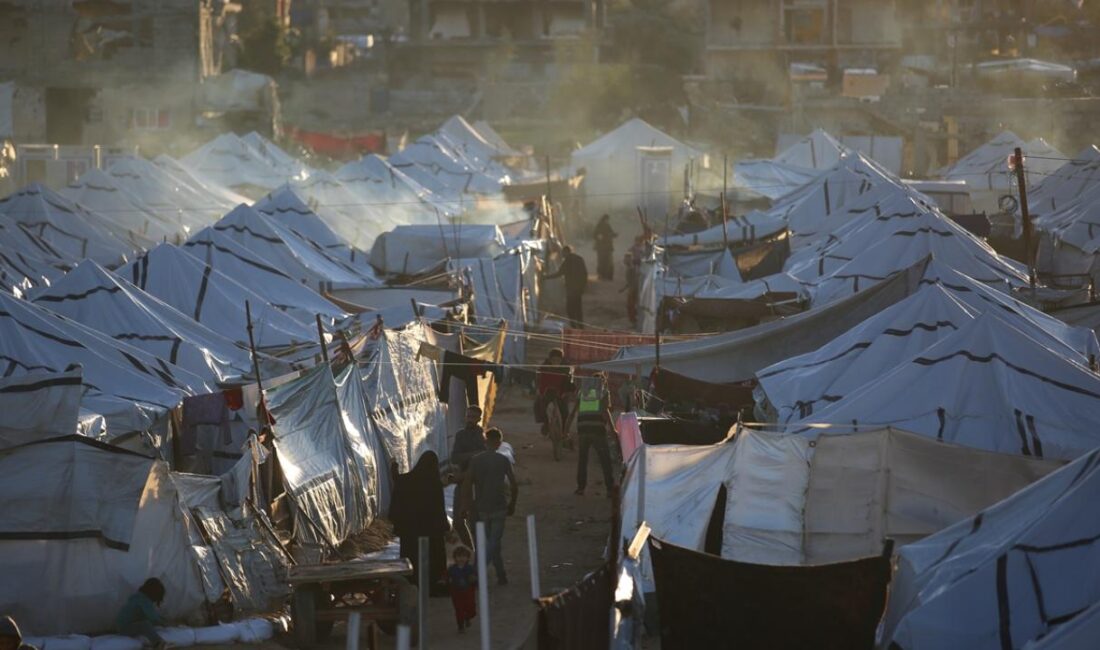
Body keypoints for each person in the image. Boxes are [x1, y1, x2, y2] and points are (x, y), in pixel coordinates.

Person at [462, 428, 518, 585]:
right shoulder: (503, 460)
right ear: (499, 443)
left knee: (489, 542)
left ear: (485, 442)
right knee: (494, 542)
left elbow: (467, 484)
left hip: (482, 508)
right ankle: (479, 572)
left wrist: (466, 506)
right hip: (499, 506)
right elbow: (514, 485)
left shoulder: (476, 460)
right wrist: (512, 504)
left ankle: (499, 575)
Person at [575, 378, 616, 497]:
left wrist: (566, 428)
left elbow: (576, 411)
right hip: (597, 430)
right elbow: (605, 412)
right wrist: (613, 430)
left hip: (582, 429)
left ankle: (580, 488)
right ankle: (609, 489)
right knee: (605, 460)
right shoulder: (603, 392)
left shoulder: (581, 392)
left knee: (583, 459)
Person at [544, 245, 589, 328]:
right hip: (578, 289)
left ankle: (574, 327)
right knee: (578, 309)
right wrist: (583, 286)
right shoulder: (579, 258)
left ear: (566, 252)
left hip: (571, 289)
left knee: (570, 309)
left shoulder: (567, 261)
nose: (562, 255)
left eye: (563, 253)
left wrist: (545, 277)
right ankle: (581, 326)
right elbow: (585, 274)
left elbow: (559, 273)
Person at [116, 578, 166, 649]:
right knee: (145, 625)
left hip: (124, 626)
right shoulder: (143, 600)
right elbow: (153, 617)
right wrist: (165, 622)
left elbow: (152, 615)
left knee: (146, 623)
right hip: (125, 628)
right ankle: (158, 643)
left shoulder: (138, 597)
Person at [446, 546, 478, 633]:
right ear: (455, 557)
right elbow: (446, 577)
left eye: (464, 556)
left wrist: (474, 580)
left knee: (471, 609)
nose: (461, 558)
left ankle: (467, 618)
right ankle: (460, 626)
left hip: (468, 592)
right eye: (459, 556)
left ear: (467, 557)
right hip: (456, 593)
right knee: (459, 609)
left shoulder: (470, 568)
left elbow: (475, 579)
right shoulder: (452, 569)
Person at [593, 214, 617, 281]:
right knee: (606, 261)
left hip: (604, 247)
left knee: (603, 261)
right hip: (604, 247)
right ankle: (605, 275)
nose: (607, 221)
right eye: (607, 219)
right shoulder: (602, 225)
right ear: (605, 219)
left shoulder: (603, 225)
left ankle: (603, 275)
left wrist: (614, 235)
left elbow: (611, 233)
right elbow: (595, 235)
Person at [621, 251, 638, 326]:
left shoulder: (632, 269)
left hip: (633, 290)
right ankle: (633, 322)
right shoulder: (630, 268)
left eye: (625, 259)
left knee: (631, 307)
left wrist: (631, 290)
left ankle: (634, 322)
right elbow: (630, 281)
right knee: (630, 307)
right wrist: (623, 289)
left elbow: (633, 281)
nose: (624, 260)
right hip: (632, 289)